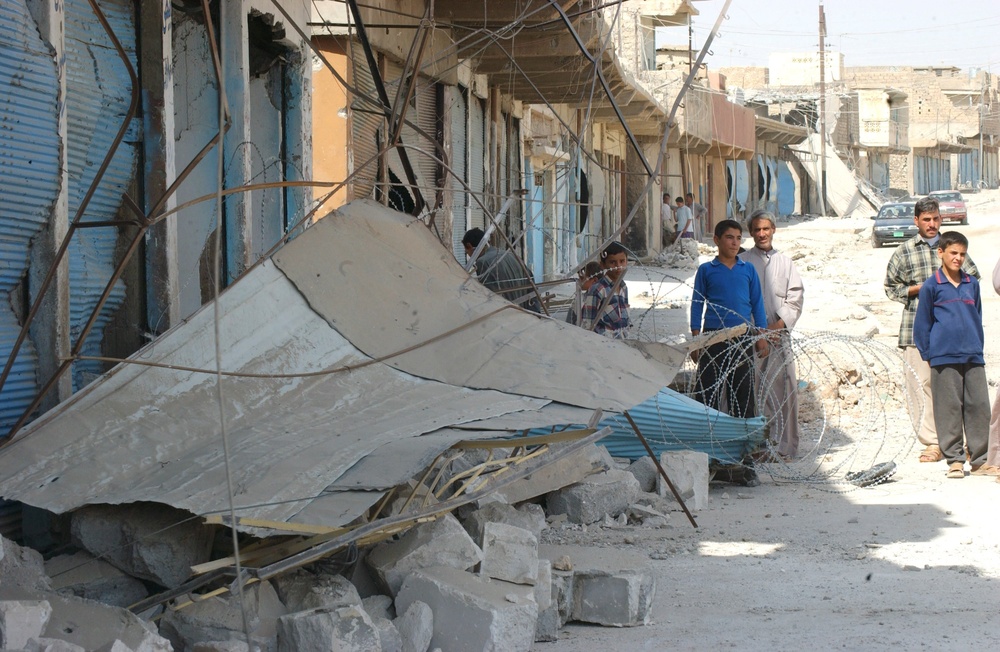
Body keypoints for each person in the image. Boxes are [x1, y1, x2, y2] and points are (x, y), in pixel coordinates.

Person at [884, 196, 979, 463]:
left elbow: (972, 280)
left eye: (936, 219)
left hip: (951, 332)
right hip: (916, 328)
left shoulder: (950, 247)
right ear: (916, 221)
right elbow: (892, 288)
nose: (932, 224)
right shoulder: (904, 251)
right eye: (926, 219)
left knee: (954, 387)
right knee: (921, 385)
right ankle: (932, 443)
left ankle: (957, 442)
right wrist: (921, 288)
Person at [912, 232, 991, 478]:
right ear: (941, 253)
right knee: (949, 409)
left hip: (972, 356)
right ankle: (955, 460)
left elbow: (976, 317)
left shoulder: (972, 284)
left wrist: (977, 346)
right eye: (953, 253)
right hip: (943, 357)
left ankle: (980, 460)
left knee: (978, 407)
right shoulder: (931, 286)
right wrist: (930, 353)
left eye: (962, 254)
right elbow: (922, 323)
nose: (958, 258)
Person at [739, 210, 805, 459]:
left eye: (766, 229)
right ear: (751, 232)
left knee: (783, 391)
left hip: (778, 336)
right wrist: (757, 332)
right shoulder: (743, 261)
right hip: (750, 337)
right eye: (756, 230)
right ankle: (755, 447)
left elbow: (794, 300)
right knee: (751, 392)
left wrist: (774, 328)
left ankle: (784, 447)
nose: (761, 234)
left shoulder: (785, 263)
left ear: (774, 230)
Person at [691, 220, 769, 419]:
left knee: (743, 391)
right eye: (729, 238)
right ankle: (707, 435)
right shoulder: (707, 270)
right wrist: (695, 338)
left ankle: (744, 438)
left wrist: (761, 336)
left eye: (738, 238)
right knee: (708, 391)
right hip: (713, 337)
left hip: (742, 336)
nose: (734, 243)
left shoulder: (748, 270)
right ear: (716, 240)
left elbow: (757, 304)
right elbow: (697, 303)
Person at [462, 228, 541, 312]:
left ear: (469, 246)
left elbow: (489, 295)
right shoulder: (509, 254)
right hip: (525, 312)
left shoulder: (482, 262)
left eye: (467, 252)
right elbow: (531, 283)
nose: (469, 256)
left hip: (508, 313)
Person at [580, 242, 631, 339]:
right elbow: (587, 325)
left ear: (627, 261)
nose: (618, 266)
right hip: (603, 345)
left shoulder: (623, 288)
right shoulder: (598, 290)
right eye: (612, 262)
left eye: (622, 261)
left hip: (622, 344)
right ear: (602, 265)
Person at [565, 261, 603, 326]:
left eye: (582, 278)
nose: (579, 281)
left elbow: (569, 324)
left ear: (594, 281)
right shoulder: (580, 299)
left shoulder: (581, 300)